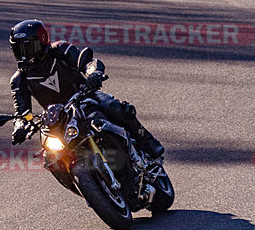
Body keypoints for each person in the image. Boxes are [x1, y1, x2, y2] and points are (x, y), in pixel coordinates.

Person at [8, 19, 164, 160]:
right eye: (18, 50)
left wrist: (94, 74)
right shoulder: (19, 79)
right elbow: (22, 112)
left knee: (118, 109)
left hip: (86, 97)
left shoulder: (60, 50)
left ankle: (149, 143)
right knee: (52, 158)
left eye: (27, 48)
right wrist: (20, 126)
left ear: (41, 42)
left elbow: (89, 62)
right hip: (59, 119)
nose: (23, 55)